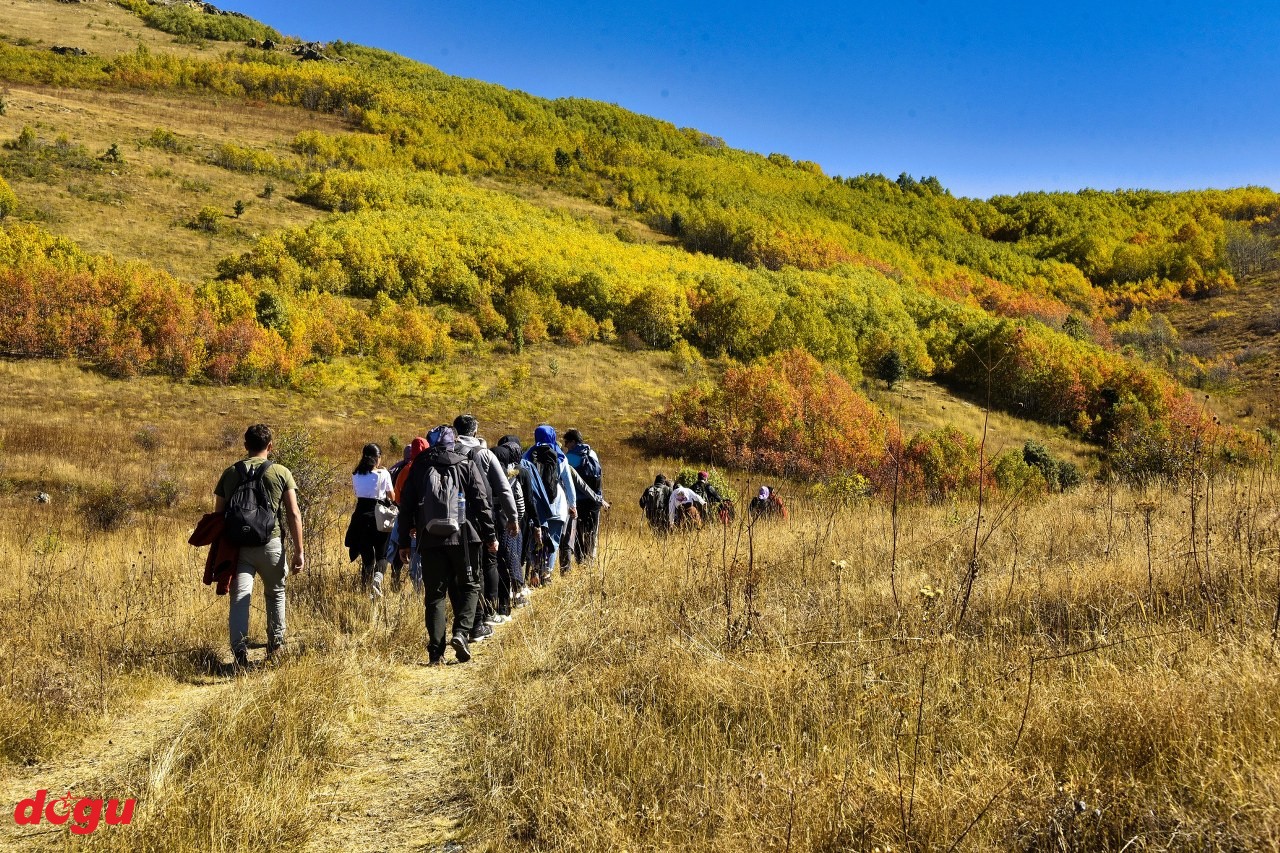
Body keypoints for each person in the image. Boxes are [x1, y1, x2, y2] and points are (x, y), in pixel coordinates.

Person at [396, 425, 497, 665]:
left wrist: (404, 541)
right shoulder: (466, 462)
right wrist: (490, 534)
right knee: (471, 585)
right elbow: (482, 502)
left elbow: (406, 505)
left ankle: (435, 653)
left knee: (434, 596)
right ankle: (462, 633)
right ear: (455, 441)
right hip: (464, 538)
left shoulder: (419, 466)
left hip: (429, 539)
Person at [212, 423, 304, 668]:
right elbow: (294, 513)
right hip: (271, 543)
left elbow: (218, 517)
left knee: (240, 597)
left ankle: (239, 654)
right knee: (275, 594)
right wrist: (299, 551)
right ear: (270, 446)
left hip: (239, 547)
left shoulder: (230, 472)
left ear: (245, 446)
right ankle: (275, 648)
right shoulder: (281, 472)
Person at [454, 414, 519, 637]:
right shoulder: (484, 454)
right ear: (475, 431)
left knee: (460, 567)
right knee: (487, 562)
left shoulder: (448, 451)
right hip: (481, 516)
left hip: (452, 517)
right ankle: (487, 612)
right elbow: (503, 488)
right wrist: (513, 518)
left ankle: (464, 616)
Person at [520, 424, 576, 586]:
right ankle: (547, 574)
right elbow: (568, 482)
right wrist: (573, 504)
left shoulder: (528, 455)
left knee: (535, 538)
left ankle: (535, 570)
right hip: (557, 502)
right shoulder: (560, 456)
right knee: (554, 539)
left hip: (536, 501)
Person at [344, 443, 395, 597]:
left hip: (360, 516)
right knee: (382, 553)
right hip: (378, 515)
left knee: (366, 553)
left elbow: (357, 493)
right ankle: (377, 580)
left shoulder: (355, 474)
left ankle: (365, 587)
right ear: (377, 458)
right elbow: (392, 496)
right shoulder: (383, 474)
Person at [492, 434, 533, 607]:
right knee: (513, 559)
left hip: (490, 524)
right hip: (511, 524)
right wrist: (517, 519)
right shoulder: (516, 473)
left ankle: (497, 598)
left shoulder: (485, 471)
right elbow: (522, 501)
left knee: (498, 561)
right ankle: (517, 593)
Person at [563, 429, 604, 564]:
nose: (565, 445)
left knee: (577, 533)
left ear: (573, 442)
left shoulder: (568, 458)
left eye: (567, 442)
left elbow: (568, 482)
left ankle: (580, 560)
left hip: (578, 501)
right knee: (592, 532)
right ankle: (590, 560)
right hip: (594, 501)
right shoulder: (592, 453)